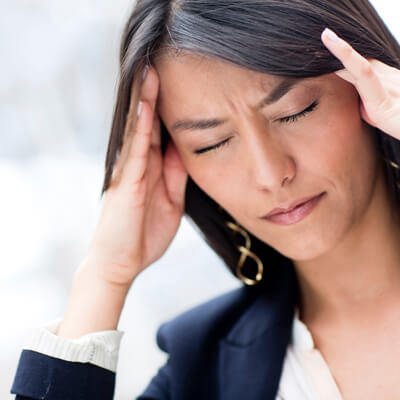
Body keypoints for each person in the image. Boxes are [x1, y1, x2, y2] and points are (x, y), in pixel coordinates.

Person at [10, 0, 400, 398]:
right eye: (212, 143)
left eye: (294, 112)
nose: (270, 174)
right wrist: (104, 274)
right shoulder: (200, 373)